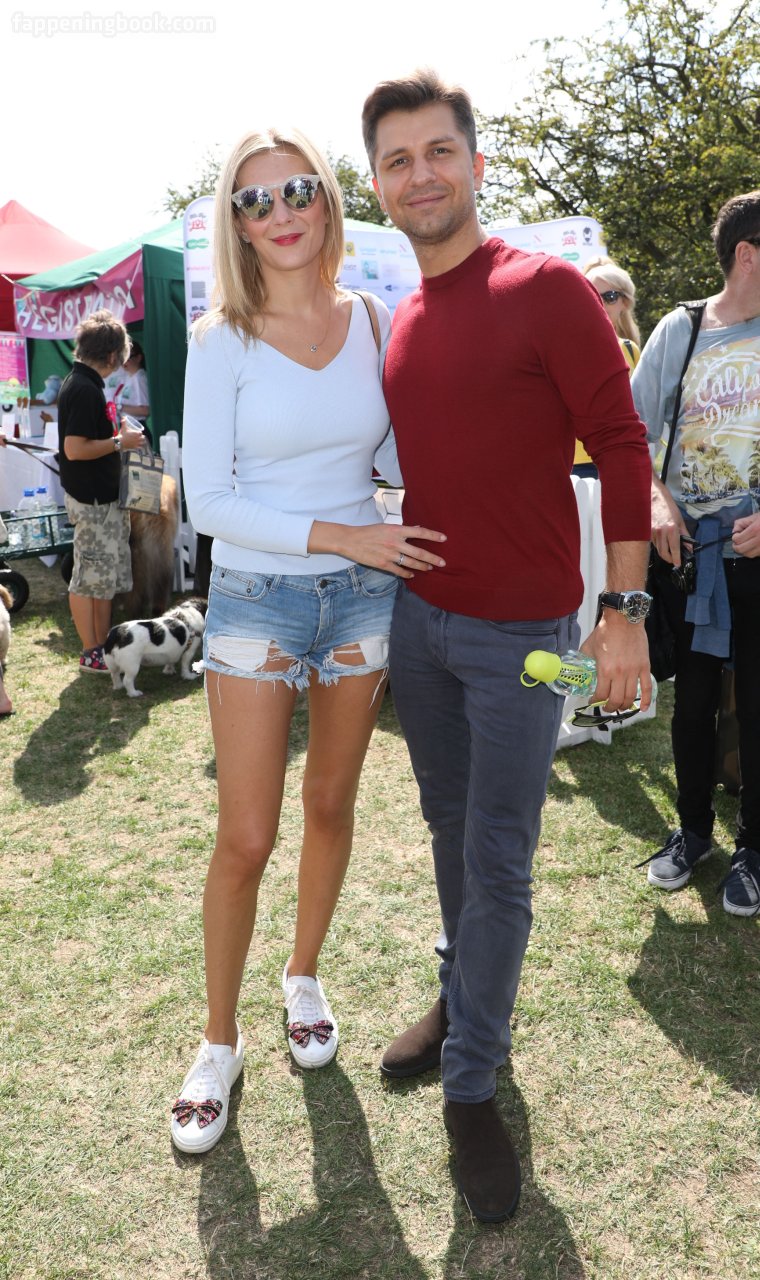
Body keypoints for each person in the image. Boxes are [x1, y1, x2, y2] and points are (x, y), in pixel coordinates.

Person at [360, 69, 653, 1222]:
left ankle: (472, 1083)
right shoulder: (403, 317)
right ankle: (463, 997)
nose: (420, 173)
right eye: (396, 159)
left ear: (475, 165)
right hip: (419, 626)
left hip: (526, 639)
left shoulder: (547, 287)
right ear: (377, 184)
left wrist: (621, 611)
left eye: (438, 151)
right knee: (449, 832)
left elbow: (620, 443)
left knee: (498, 855)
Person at [177, 126, 446, 1156]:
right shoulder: (220, 341)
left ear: (328, 201)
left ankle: (303, 974)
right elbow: (209, 501)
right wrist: (343, 531)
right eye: (255, 200)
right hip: (259, 600)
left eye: (298, 190)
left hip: (365, 600)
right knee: (246, 837)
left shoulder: (373, 317)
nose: (280, 212)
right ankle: (218, 1041)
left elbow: (397, 454)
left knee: (331, 802)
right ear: (236, 225)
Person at [632, 191, 760, 919]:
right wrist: (656, 501)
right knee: (694, 704)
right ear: (748, 253)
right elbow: (628, 434)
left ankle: (754, 850)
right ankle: (694, 831)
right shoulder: (679, 331)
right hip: (692, 557)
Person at [57, 310, 145, 672]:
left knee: (102, 578)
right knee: (87, 578)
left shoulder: (86, 384)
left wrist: (116, 437)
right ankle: (91, 650)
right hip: (92, 501)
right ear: (112, 355)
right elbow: (75, 449)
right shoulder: (83, 388)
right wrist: (119, 442)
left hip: (100, 499)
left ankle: (101, 647)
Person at [574, 257, 642, 476]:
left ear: (625, 302)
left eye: (609, 296)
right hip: (576, 462)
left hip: (620, 456)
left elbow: (640, 408)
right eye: (592, 295)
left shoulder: (630, 349)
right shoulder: (565, 348)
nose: (600, 303)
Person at [104, 339, 150, 426]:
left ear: (139, 358)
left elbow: (146, 410)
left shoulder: (140, 378)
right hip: (127, 426)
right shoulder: (130, 377)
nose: (124, 362)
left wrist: (120, 407)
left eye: (128, 357)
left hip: (136, 426)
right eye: (122, 358)